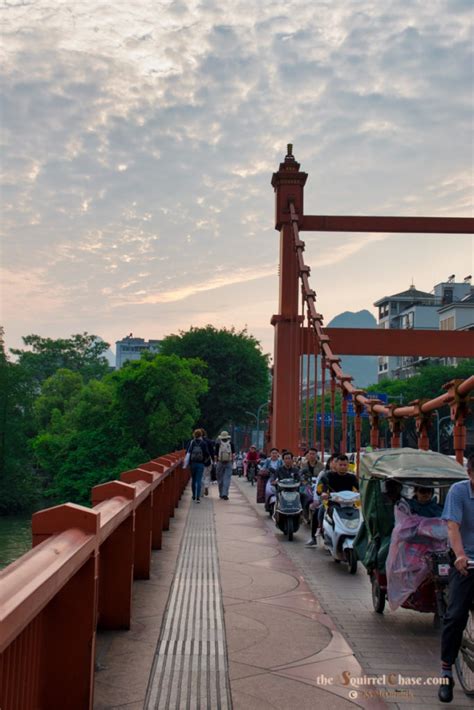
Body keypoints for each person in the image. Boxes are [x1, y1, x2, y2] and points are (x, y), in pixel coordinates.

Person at [438, 453, 474, 703]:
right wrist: (460, 556)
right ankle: (446, 671)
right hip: (467, 562)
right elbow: (453, 526)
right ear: (470, 474)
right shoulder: (458, 492)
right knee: (456, 615)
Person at [306, 454, 337, 546]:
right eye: (334, 462)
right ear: (330, 463)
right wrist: (317, 499)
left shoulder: (348, 475)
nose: (337, 465)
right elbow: (318, 489)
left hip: (344, 503)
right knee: (318, 513)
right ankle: (315, 535)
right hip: (328, 502)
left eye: (343, 464)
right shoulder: (325, 474)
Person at [187, 429, 211, 503]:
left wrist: (189, 463)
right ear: (201, 435)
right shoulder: (203, 443)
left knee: (193, 480)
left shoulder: (192, 443)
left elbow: (188, 453)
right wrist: (205, 461)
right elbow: (207, 454)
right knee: (199, 480)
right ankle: (198, 497)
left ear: (194, 435)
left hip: (193, 463)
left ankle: (193, 495)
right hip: (200, 464)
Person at [215, 430, 235, 500]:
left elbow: (215, 455)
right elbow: (233, 454)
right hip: (228, 462)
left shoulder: (218, 444)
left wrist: (216, 462)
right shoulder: (231, 443)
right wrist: (232, 462)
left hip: (220, 462)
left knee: (220, 479)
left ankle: (221, 493)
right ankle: (225, 494)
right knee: (227, 479)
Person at [200, 429, 215, 497]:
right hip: (208, 460)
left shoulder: (195, 441)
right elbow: (212, 452)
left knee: (201, 476)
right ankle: (206, 487)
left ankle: (201, 491)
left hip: (199, 461)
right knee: (207, 475)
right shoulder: (209, 441)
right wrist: (213, 459)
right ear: (205, 433)